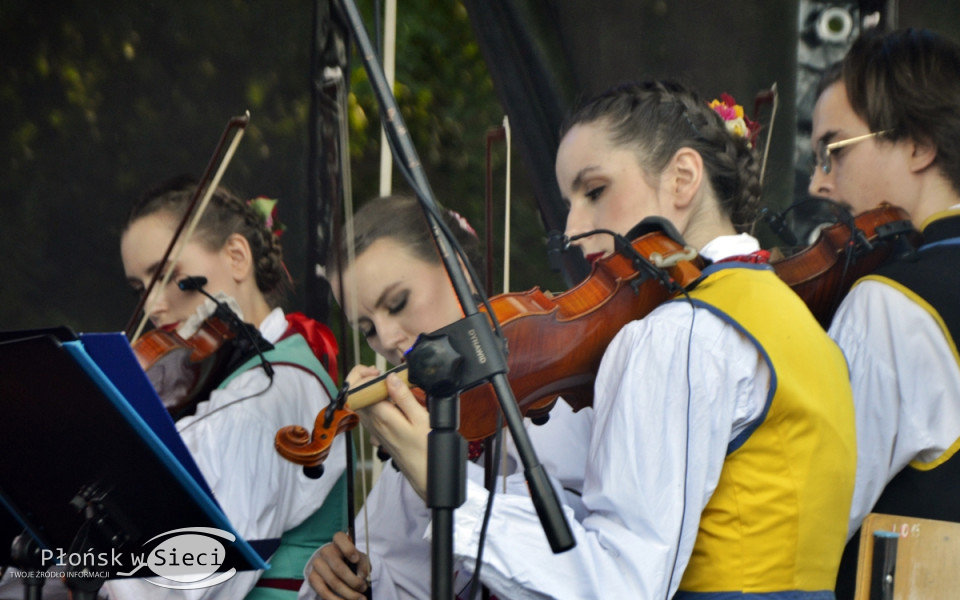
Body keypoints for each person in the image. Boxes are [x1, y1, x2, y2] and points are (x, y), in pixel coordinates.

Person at [348, 80, 857, 598]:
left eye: (594, 192)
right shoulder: (795, 317)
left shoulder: (680, 334)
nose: (573, 227)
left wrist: (444, 485)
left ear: (683, 178)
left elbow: (618, 584)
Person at [808, 27, 960, 596]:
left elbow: (812, 521)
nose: (819, 181)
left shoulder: (890, 303)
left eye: (835, 150)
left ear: (919, 145)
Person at [299, 195, 592, 600]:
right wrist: (356, 575)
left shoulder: (557, 396)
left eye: (398, 302)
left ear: (458, 271)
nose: (385, 340)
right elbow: (407, 576)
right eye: (366, 328)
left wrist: (443, 479)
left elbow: (576, 570)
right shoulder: (426, 419)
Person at [107, 176, 349, 599]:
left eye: (168, 275)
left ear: (238, 257)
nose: (152, 306)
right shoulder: (238, 384)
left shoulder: (268, 392)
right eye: (140, 288)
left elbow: (190, 578)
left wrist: (80, 571)